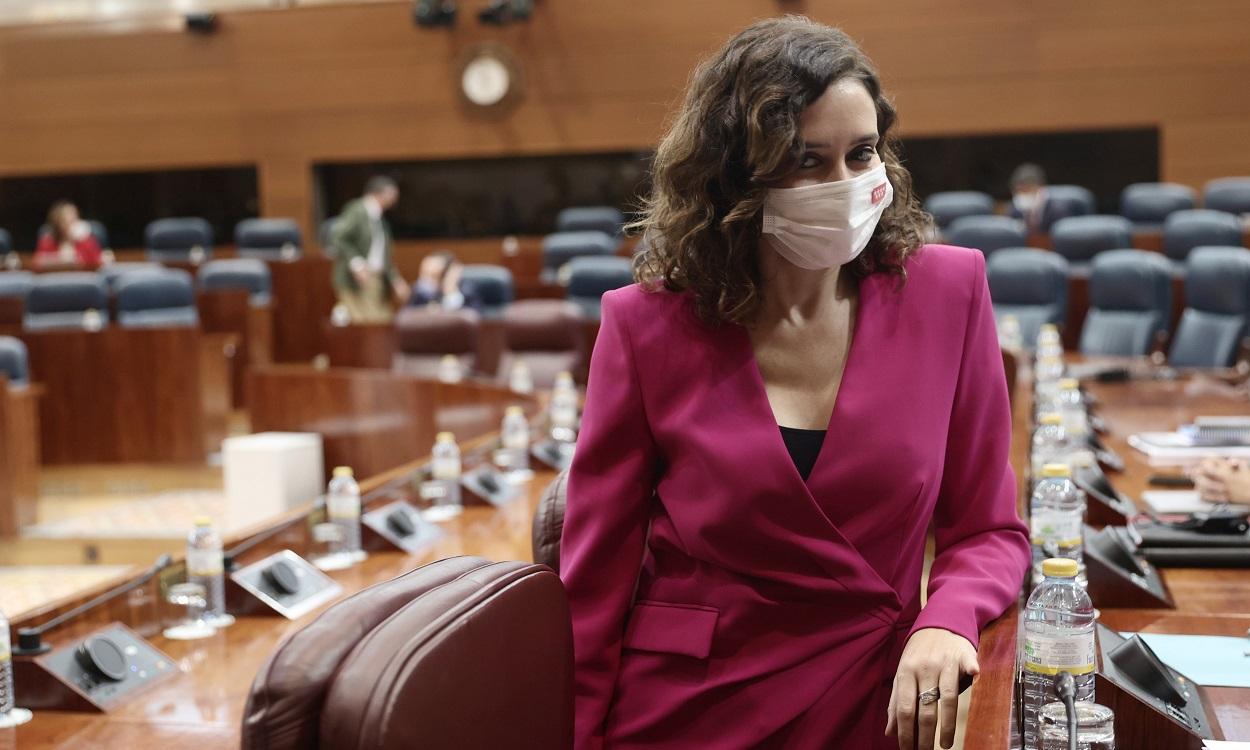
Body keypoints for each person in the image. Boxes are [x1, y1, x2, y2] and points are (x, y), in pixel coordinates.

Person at [560, 17, 1030, 750]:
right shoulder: (643, 327)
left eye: (861, 153)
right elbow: (593, 585)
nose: (844, 185)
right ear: (735, 175)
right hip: (687, 708)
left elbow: (988, 531)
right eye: (807, 161)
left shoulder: (950, 292)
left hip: (870, 700)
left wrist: (948, 615)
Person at [330, 176, 409, 323]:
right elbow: (339, 238)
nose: (395, 198)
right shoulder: (357, 210)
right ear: (379, 193)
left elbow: (383, 256)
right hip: (357, 280)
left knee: (383, 321)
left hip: (377, 279)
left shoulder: (380, 219)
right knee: (368, 324)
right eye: (392, 193)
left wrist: (395, 279)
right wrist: (357, 264)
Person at [1006, 163, 1076, 234]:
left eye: (1027, 190)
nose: (1023, 195)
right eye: (1019, 191)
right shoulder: (1014, 210)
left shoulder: (1059, 210)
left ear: (1040, 188)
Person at [34, 201, 102, 270]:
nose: (69, 225)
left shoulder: (86, 241)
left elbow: (96, 263)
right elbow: (38, 262)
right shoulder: (47, 241)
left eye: (73, 219)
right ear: (57, 223)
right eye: (64, 221)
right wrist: (60, 259)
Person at [406, 250, 482, 312]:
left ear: (447, 275)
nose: (424, 281)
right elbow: (405, 320)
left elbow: (470, 322)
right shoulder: (418, 294)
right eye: (423, 274)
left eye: (433, 276)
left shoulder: (468, 292)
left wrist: (450, 291)